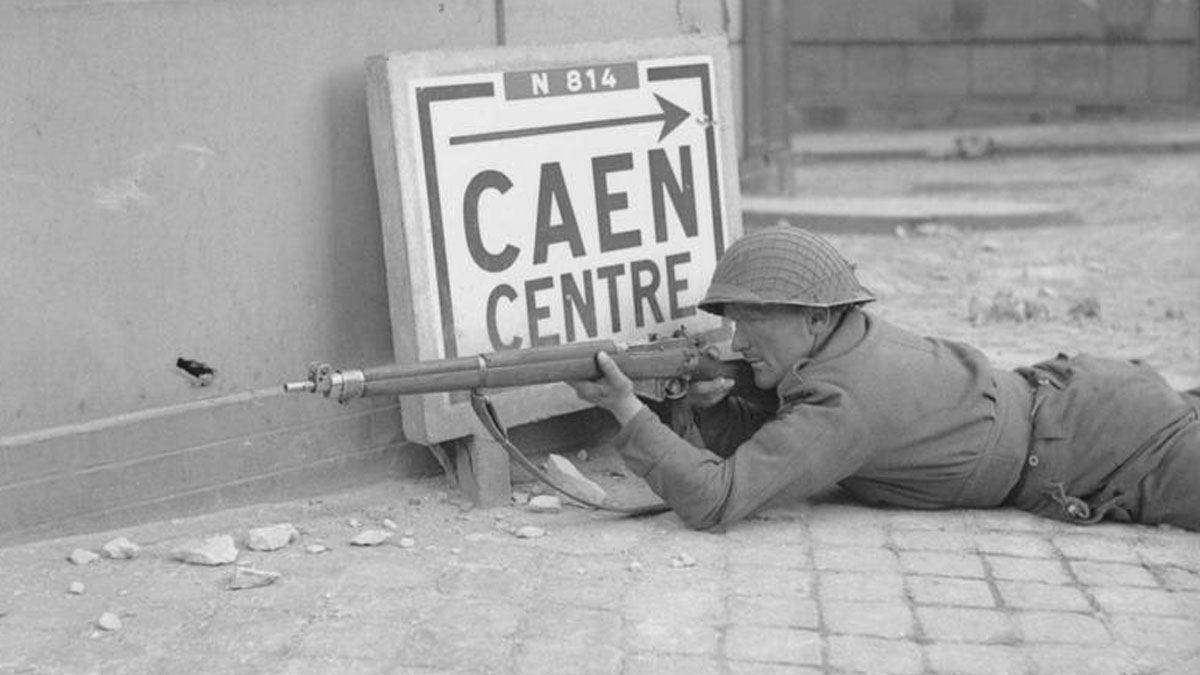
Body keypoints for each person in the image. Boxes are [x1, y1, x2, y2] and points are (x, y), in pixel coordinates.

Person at [568, 225, 1200, 531]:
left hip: (1116, 446)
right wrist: (711, 409)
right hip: (1087, 400)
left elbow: (714, 500)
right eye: (733, 321)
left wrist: (628, 411)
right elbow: (781, 450)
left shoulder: (846, 399)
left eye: (755, 319)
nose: (738, 341)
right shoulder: (846, 345)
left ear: (815, 319)